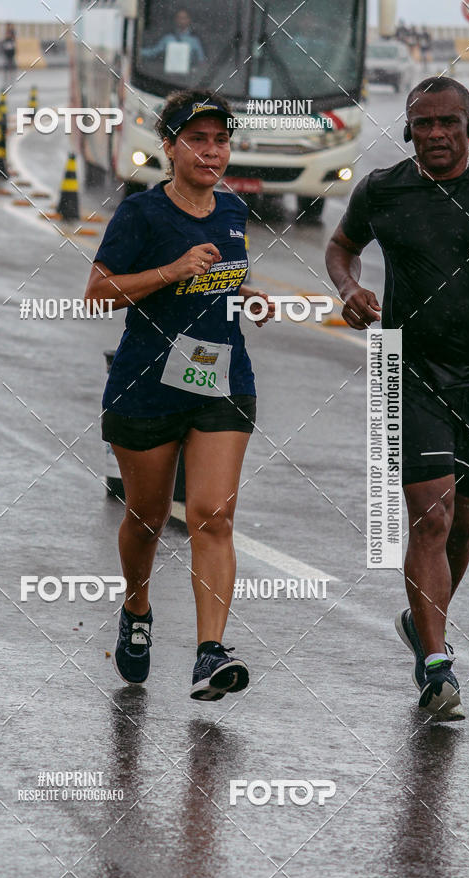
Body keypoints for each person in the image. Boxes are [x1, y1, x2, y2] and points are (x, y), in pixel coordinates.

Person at [84, 89, 274, 701]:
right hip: (146, 383)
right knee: (144, 518)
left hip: (220, 380)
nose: (211, 151)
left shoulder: (234, 212)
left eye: (220, 140)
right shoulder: (140, 214)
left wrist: (249, 295)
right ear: (168, 147)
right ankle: (137, 608)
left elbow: (229, 274)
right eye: (197, 139)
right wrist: (172, 270)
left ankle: (209, 654)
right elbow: (98, 293)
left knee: (211, 516)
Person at [325, 77, 469, 721]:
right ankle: (437, 664)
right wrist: (348, 289)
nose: (436, 133)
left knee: (466, 523)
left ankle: (423, 623)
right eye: (423, 122)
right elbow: (340, 248)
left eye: (449, 122)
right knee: (432, 518)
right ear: (408, 127)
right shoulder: (383, 189)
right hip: (407, 370)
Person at [141, 8, 205, 66]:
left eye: (184, 18)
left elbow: (201, 60)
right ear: (175, 19)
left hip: (190, 76)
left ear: (189, 20)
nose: (182, 21)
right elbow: (153, 52)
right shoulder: (167, 38)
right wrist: (136, 51)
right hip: (167, 76)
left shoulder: (195, 40)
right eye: (179, 18)